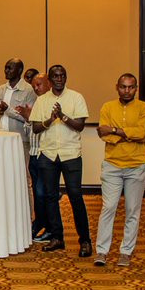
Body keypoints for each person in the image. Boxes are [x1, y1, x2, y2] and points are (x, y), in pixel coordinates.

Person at [30, 64, 91, 256]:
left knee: (75, 196)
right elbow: (36, 128)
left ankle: (85, 241)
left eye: (62, 75)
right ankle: (57, 238)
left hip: (71, 154)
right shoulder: (41, 101)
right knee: (50, 197)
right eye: (55, 76)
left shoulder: (76, 97)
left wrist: (62, 116)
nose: (59, 79)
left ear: (66, 77)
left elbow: (80, 126)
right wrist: (50, 119)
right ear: (49, 80)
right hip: (48, 154)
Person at [95, 74, 145, 268]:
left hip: (137, 166)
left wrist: (114, 130)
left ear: (136, 88)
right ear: (116, 87)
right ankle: (102, 251)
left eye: (131, 87)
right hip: (112, 165)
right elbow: (104, 135)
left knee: (132, 210)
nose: (127, 91)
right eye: (123, 87)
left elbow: (141, 132)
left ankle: (126, 252)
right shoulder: (107, 107)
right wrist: (131, 135)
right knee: (108, 207)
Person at [24, 71, 51, 243]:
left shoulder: (50, 103)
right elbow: (30, 131)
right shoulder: (36, 103)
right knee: (37, 192)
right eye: (34, 85)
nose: (35, 88)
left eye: (39, 84)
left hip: (44, 154)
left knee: (43, 194)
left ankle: (49, 227)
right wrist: (27, 119)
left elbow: (48, 129)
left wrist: (31, 120)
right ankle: (39, 222)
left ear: (49, 84)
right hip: (33, 153)